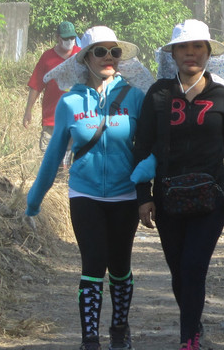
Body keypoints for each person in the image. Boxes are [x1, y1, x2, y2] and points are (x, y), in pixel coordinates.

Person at [134, 19, 224, 350]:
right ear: (172, 54)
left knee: (193, 267)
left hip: (211, 200)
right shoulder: (158, 94)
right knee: (178, 271)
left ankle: (188, 339)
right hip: (167, 199)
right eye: (184, 47)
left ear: (208, 52)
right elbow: (141, 147)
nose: (191, 53)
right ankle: (194, 322)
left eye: (198, 46)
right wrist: (143, 197)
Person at [24, 26, 145, 350]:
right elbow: (53, 156)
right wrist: (33, 201)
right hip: (84, 194)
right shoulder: (70, 102)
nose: (108, 58)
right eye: (100, 52)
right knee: (93, 263)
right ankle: (89, 339)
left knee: (120, 266)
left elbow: (149, 148)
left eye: (114, 52)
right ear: (85, 58)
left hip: (125, 194)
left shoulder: (135, 98)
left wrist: (151, 191)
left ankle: (119, 330)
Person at [23, 21, 81, 165]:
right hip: (52, 119)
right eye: (66, 38)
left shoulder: (81, 55)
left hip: (76, 118)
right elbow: (36, 85)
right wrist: (28, 111)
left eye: (72, 38)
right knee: (50, 160)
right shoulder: (47, 58)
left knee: (69, 160)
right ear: (57, 37)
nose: (69, 41)